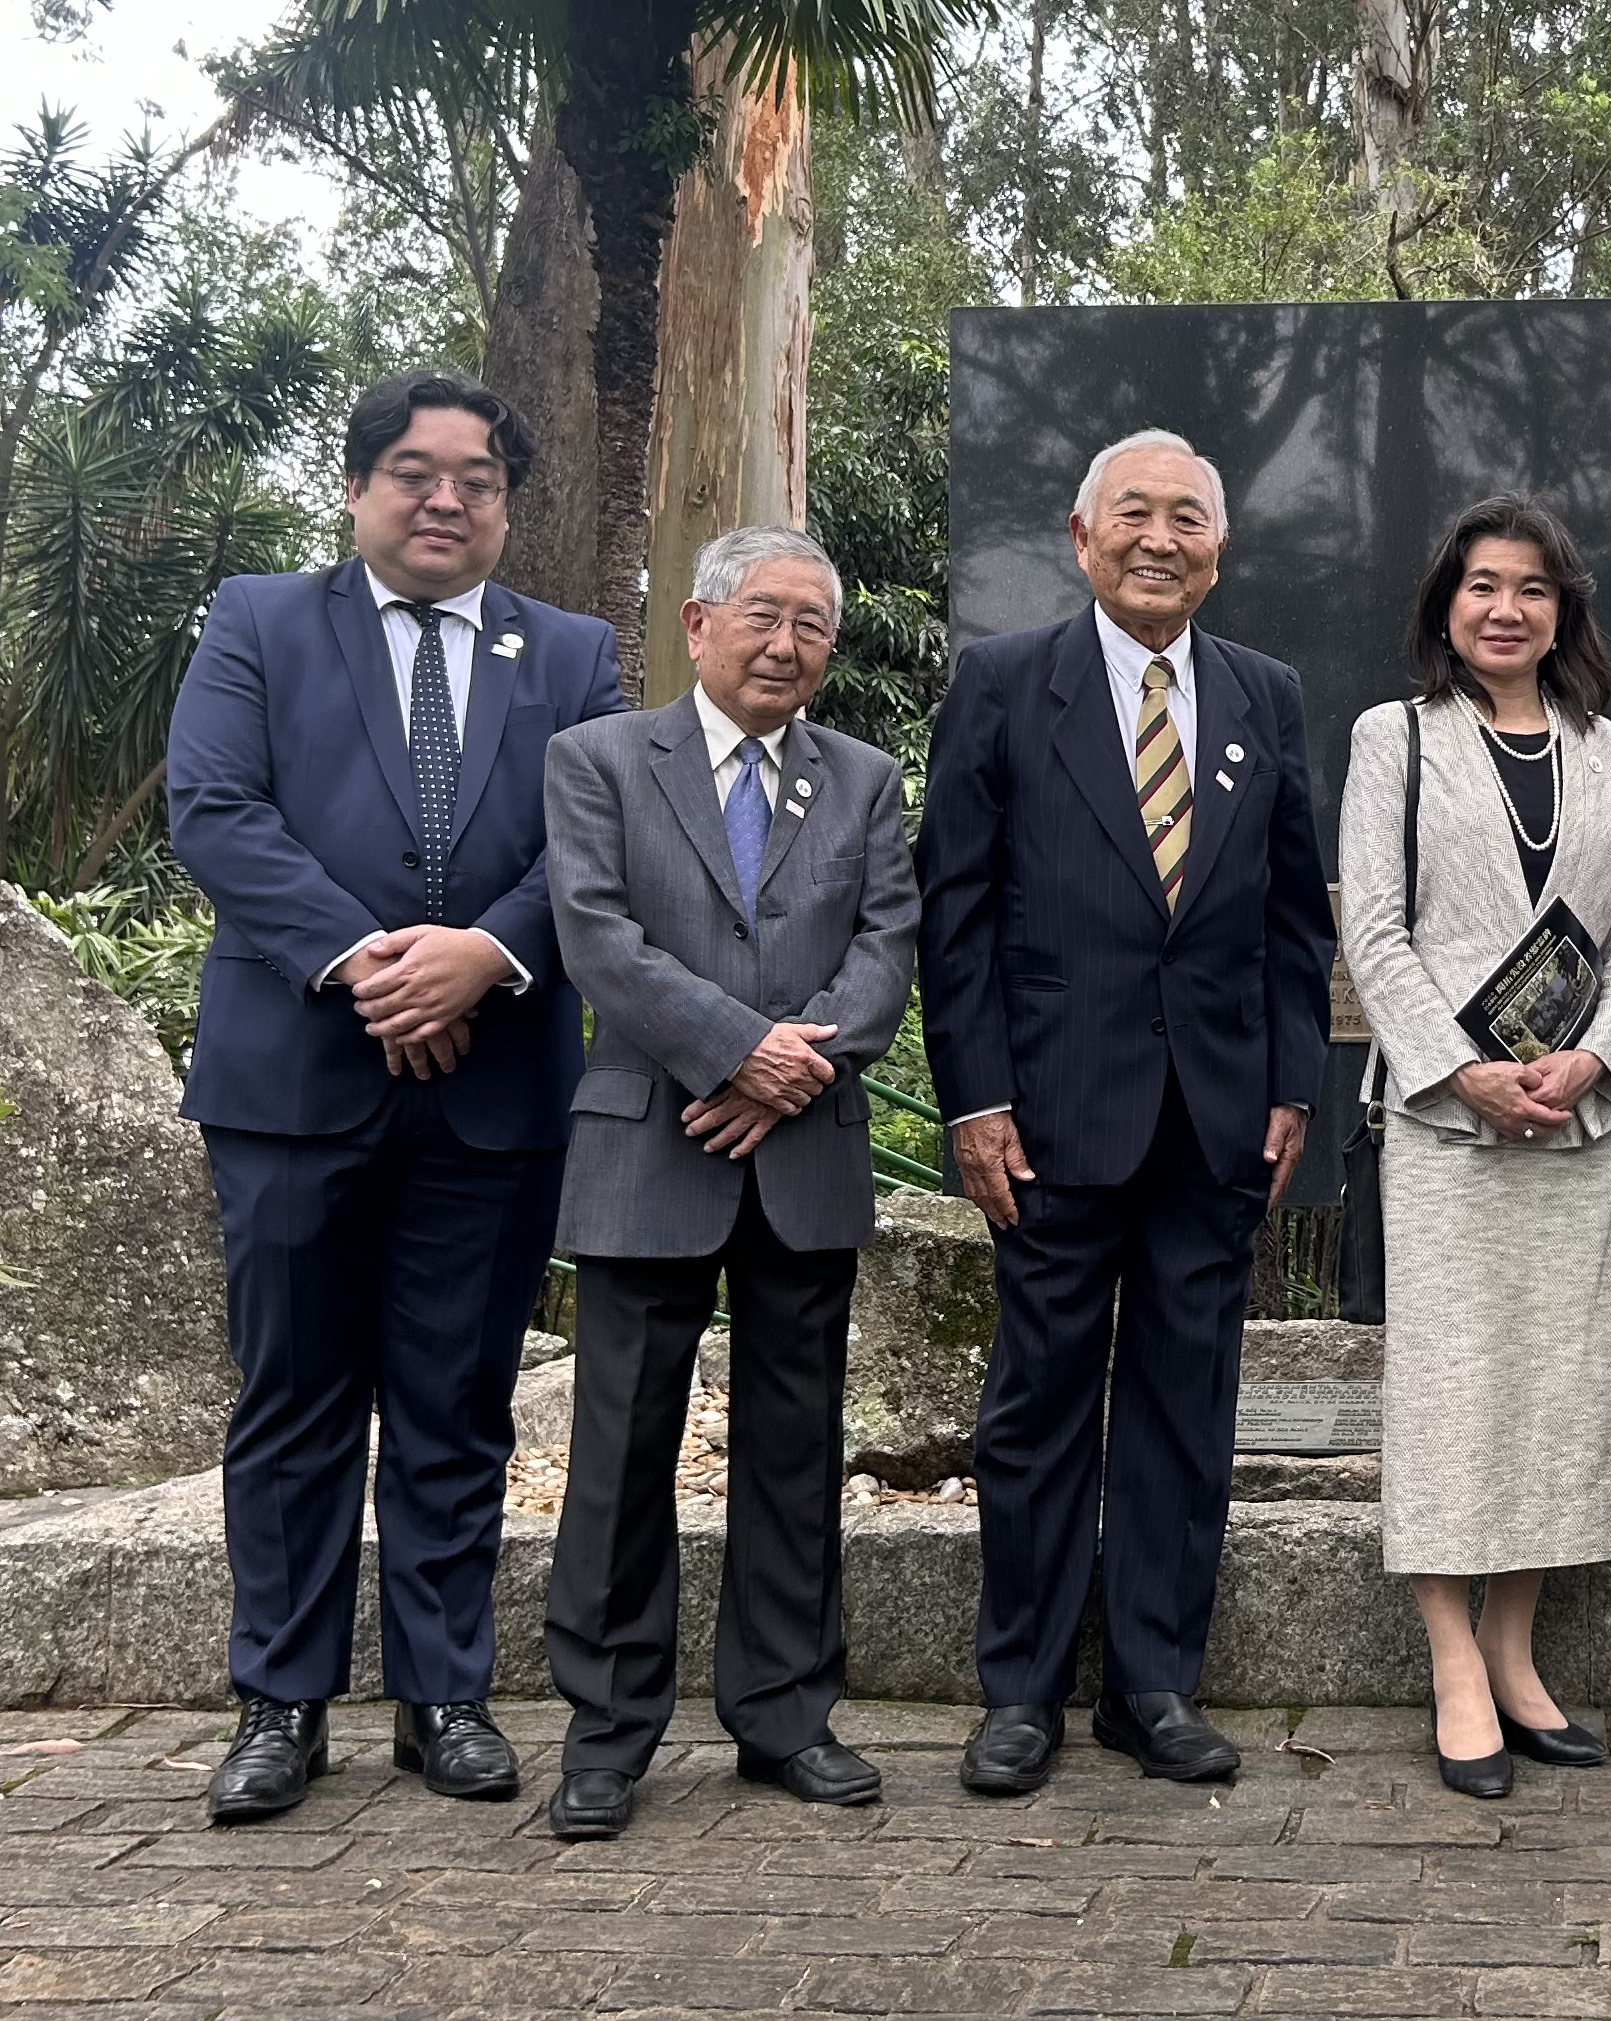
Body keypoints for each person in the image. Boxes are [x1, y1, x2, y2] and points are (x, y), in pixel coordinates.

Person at [163, 369, 625, 1823]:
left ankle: (443, 1692)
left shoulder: (572, 652)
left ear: (504, 503)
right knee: (295, 1397)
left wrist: (483, 955)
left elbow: (601, 840)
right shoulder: (257, 623)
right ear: (360, 487)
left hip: (492, 1090)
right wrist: (371, 967)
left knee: (455, 1393)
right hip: (296, 1080)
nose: (446, 499)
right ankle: (280, 1701)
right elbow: (215, 810)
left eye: (478, 479)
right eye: (416, 473)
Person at [917, 428, 1335, 1794]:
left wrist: (1289, 1087)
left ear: (1221, 547)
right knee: (1034, 1399)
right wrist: (971, 1098)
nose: (1163, 539)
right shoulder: (1002, 682)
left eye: (1190, 520)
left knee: (1183, 1399)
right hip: (1048, 1112)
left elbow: (1290, 916)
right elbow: (957, 910)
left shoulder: (1264, 694)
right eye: (1136, 515)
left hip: (1215, 1121)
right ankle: (1022, 1689)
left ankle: (1153, 1681)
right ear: (1082, 533)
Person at [535, 527, 918, 1839]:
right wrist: (736, 1049)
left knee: (796, 1448)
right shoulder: (598, 762)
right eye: (763, 614)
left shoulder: (862, 779)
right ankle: (605, 1728)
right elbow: (597, 935)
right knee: (622, 1445)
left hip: (800, 1150)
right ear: (696, 624)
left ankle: (786, 1713)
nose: (787, 643)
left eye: (813, 623)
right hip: (653, 1138)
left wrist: (791, 1067)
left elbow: (884, 945)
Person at [1337, 496, 1611, 1799]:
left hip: (1572, 1121)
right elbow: (1372, 924)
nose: (1505, 607)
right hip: (1444, 1124)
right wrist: (1462, 1068)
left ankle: (1516, 1650)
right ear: (1445, 602)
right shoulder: (1394, 739)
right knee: (1451, 1386)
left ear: (1561, 607)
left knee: (1552, 1385)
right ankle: (1449, 1664)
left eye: (1530, 586)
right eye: (1481, 584)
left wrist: (1590, 1055)